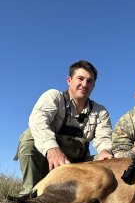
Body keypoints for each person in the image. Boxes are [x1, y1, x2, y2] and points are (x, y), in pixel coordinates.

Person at [15, 60, 113, 195]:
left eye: (89, 81)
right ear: (69, 80)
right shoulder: (54, 96)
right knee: (29, 137)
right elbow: (37, 121)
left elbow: (104, 138)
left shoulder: (100, 111)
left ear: (93, 85)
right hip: (50, 162)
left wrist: (105, 151)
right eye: (80, 78)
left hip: (76, 166)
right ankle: (29, 193)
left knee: (110, 162)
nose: (84, 84)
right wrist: (51, 148)